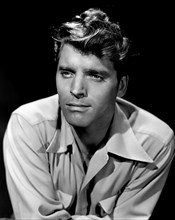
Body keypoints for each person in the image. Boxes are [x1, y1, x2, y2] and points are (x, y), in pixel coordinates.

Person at [3, 8, 175, 220]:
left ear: (121, 86)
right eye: (66, 72)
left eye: (95, 75)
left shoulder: (154, 142)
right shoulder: (28, 124)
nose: (76, 89)